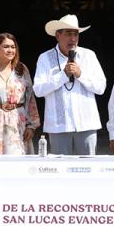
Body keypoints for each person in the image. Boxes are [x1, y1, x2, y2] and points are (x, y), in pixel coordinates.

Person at [33, 14, 106, 155]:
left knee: (88, 169)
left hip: (86, 123)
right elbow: (38, 90)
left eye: (76, 34)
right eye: (68, 34)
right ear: (58, 35)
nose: (73, 39)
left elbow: (101, 87)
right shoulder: (45, 58)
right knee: (60, 170)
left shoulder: (88, 55)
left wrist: (81, 75)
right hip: (58, 126)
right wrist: (62, 76)